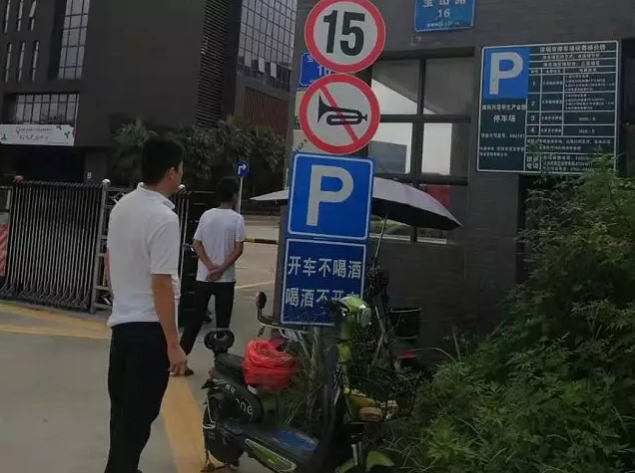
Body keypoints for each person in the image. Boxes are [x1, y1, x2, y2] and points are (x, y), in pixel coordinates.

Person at [103, 136, 187, 473]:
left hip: (122, 329)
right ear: (171, 172)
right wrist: (173, 344)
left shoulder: (122, 206)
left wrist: (122, 300)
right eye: (181, 168)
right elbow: (161, 283)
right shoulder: (164, 218)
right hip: (149, 333)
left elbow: (109, 260)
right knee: (136, 422)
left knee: (122, 416)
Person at [180, 176, 246, 374]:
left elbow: (196, 243)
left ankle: (179, 362)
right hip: (225, 280)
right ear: (234, 196)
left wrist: (209, 267)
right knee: (222, 325)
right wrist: (220, 269)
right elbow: (238, 250)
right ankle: (220, 367)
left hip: (203, 277)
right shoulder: (237, 219)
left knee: (195, 319)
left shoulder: (207, 215)